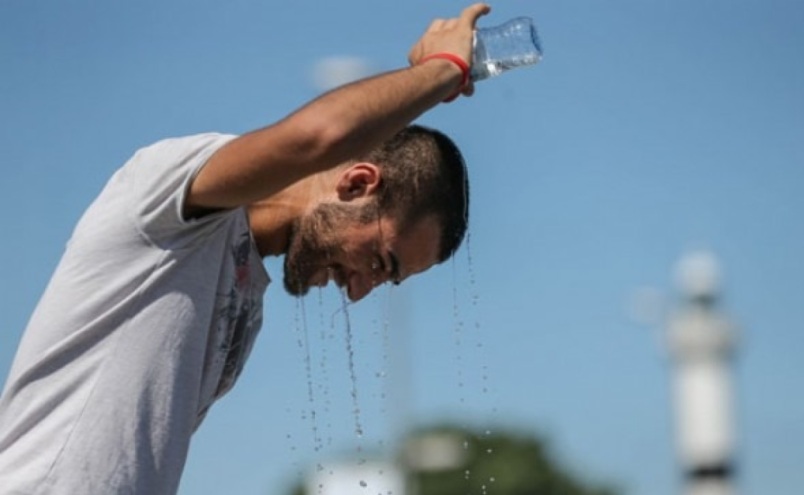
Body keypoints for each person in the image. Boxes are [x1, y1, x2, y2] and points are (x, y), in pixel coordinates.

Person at [0, 3, 492, 494]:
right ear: (357, 183)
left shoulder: (245, 300)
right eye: (379, 262)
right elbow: (317, 137)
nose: (360, 291)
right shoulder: (169, 196)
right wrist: (443, 71)